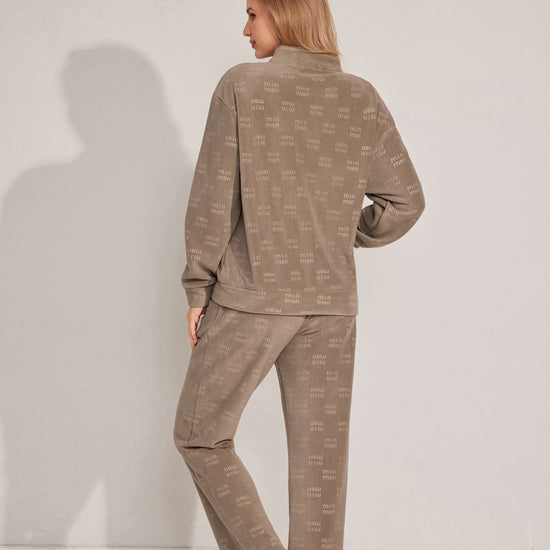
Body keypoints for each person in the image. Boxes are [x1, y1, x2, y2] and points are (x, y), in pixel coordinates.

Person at [173, 0, 426, 548]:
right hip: (332, 305)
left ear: (285, 14)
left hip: (252, 297)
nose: (245, 28)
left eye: (253, 14)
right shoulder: (361, 97)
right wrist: (336, 233)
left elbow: (214, 199)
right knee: (321, 473)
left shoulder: (242, 86)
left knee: (200, 437)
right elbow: (406, 201)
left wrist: (198, 287)